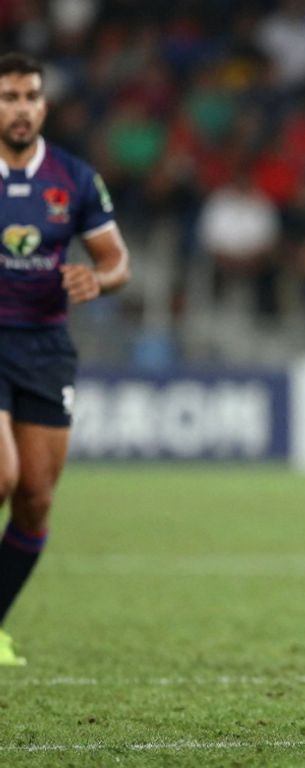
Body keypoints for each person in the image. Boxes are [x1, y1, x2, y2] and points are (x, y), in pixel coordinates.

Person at [0, 52, 131, 666]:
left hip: (46, 347)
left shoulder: (73, 177)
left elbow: (117, 261)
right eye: (8, 97)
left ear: (43, 106)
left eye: (29, 96)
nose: (20, 108)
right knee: (1, 474)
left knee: (36, 498)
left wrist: (97, 282)